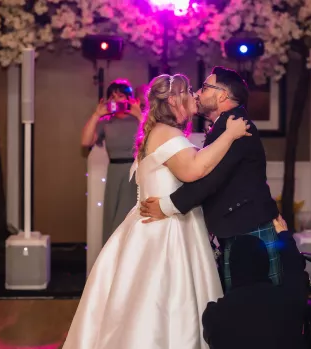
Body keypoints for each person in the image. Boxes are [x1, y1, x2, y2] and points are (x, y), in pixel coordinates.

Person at [61, 73, 251, 349]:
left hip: (161, 222)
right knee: (162, 301)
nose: (194, 95)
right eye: (188, 92)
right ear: (173, 100)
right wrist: (231, 135)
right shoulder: (166, 133)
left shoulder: (160, 132)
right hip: (165, 230)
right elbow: (195, 169)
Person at [139, 66, 289, 291]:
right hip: (238, 228)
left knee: (258, 303)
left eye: (205, 87)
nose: (197, 93)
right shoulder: (226, 126)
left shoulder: (237, 126)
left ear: (222, 95)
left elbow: (208, 181)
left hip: (248, 229)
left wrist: (167, 206)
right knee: (242, 304)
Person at [202, 234, 309, 349]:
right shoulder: (290, 302)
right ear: (265, 262)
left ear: (232, 266)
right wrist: (284, 236)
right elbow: (296, 273)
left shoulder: (214, 315)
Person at [81, 79, 142, 244]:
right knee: (113, 217)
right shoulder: (106, 122)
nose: (116, 100)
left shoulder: (139, 119)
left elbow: (153, 138)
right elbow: (86, 142)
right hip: (114, 171)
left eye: (121, 96)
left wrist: (139, 115)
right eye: (112, 97)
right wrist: (96, 115)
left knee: (131, 217)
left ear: (130, 98)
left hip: (135, 172)